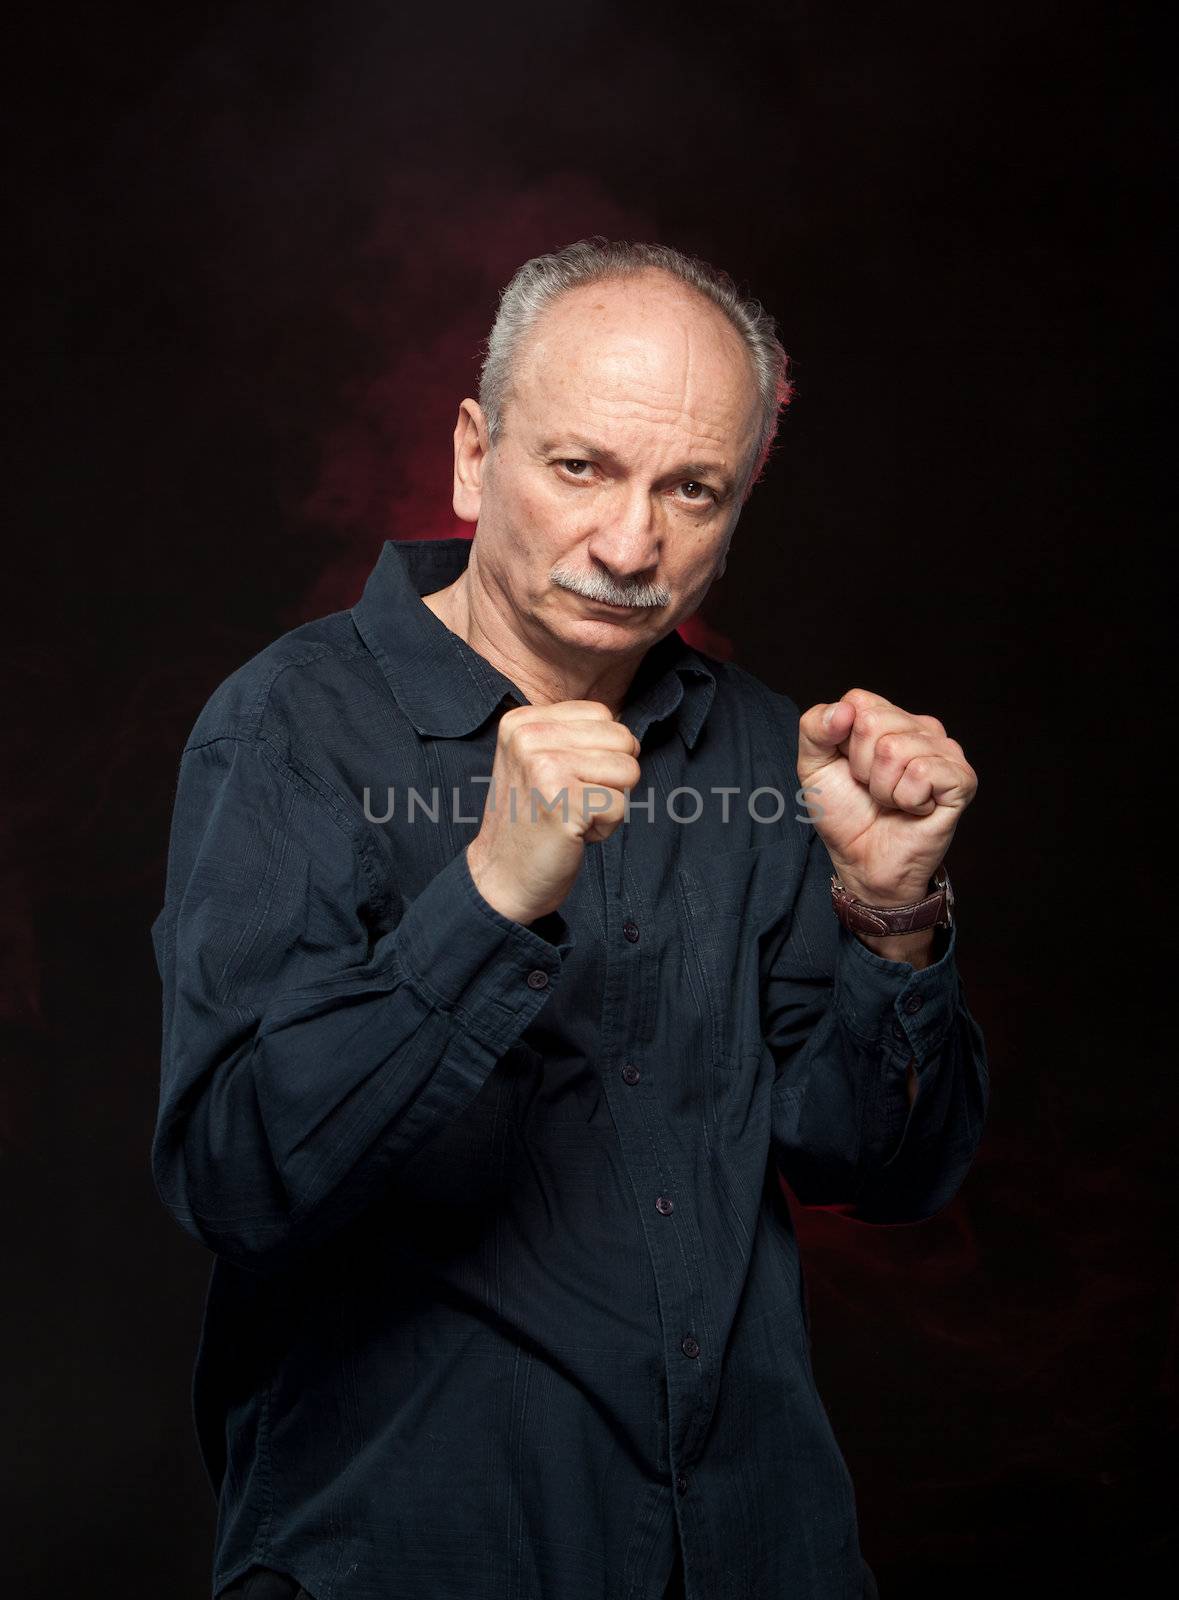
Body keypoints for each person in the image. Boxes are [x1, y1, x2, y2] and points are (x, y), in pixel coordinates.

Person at [150, 237, 988, 1600]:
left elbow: (879, 1173)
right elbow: (235, 1178)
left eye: (691, 489)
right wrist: (487, 898)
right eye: (582, 467)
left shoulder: (771, 755)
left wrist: (893, 917)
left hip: (760, 1559)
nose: (630, 543)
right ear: (478, 457)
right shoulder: (290, 725)